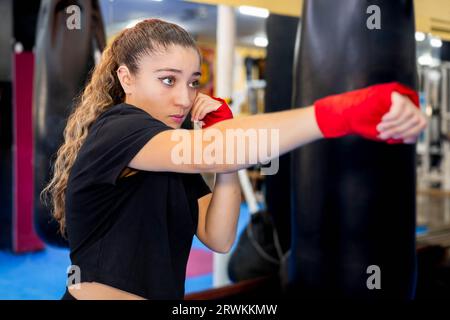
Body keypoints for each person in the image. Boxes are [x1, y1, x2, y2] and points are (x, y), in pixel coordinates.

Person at [41, 18, 427, 300]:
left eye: (193, 82)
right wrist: (342, 113)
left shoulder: (169, 151)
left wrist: (224, 149)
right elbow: (214, 150)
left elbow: (219, 237)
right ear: (126, 79)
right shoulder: (118, 129)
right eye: (167, 80)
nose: (184, 97)